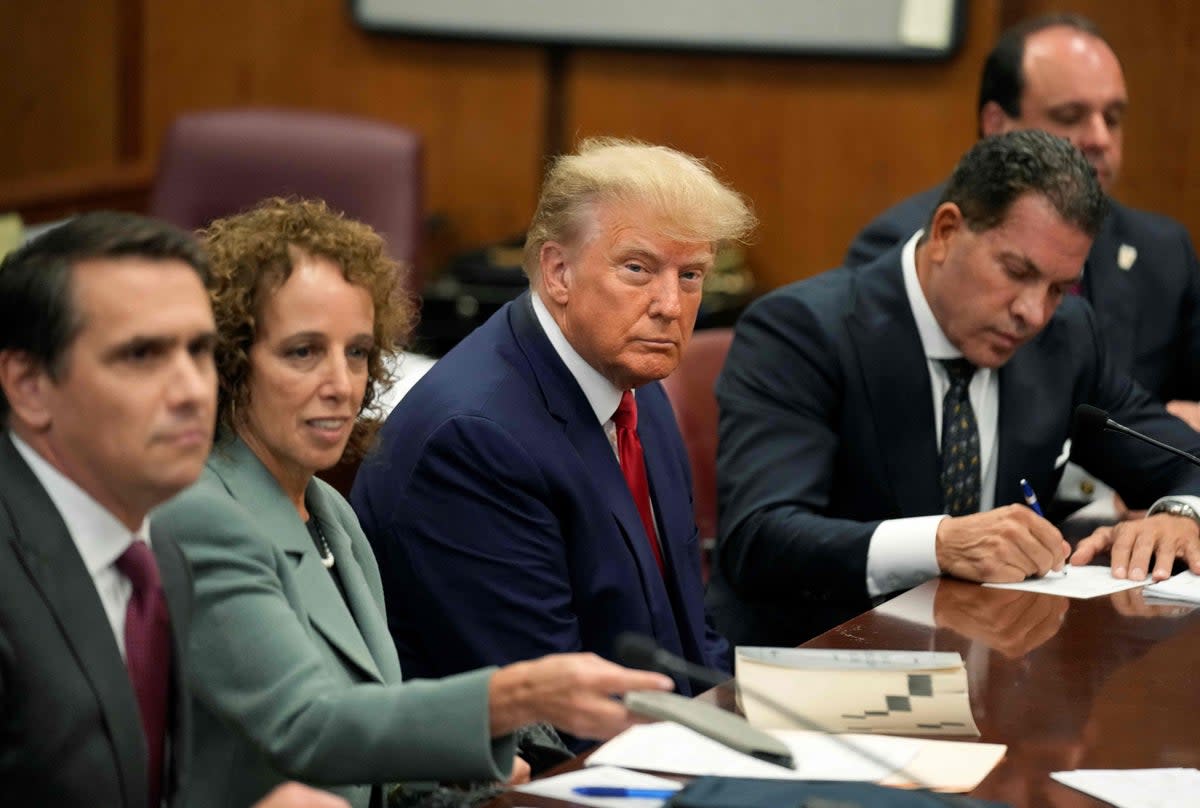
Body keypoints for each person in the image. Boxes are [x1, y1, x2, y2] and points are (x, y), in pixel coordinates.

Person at [152, 198, 673, 808]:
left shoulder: (329, 511)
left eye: (356, 352)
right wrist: (509, 697)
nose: (342, 385)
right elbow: (308, 726)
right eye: (302, 352)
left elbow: (374, 753)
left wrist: (466, 774)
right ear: (230, 361)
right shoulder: (200, 512)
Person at [709, 130, 1200, 647]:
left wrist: (1181, 514)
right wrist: (939, 543)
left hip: (996, 668)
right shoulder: (803, 331)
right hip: (825, 666)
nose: (1032, 312)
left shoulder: (1065, 337)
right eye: (1016, 271)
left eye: (1058, 288)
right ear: (945, 232)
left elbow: (1182, 458)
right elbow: (760, 538)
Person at [352, 138, 752, 696]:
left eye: (691, 276)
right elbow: (544, 712)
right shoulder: (473, 442)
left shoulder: (637, 382)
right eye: (638, 269)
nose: (670, 305)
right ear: (558, 272)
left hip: (666, 739)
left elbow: (690, 637)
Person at [845, 14, 1200, 434]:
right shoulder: (904, 246)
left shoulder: (1163, 250)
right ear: (997, 126)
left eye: (1113, 118)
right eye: (1071, 116)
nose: (1100, 139)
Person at [0, 212, 215, 807]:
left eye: (200, 350)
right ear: (29, 384)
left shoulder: (159, 556)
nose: (193, 389)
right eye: (143, 355)